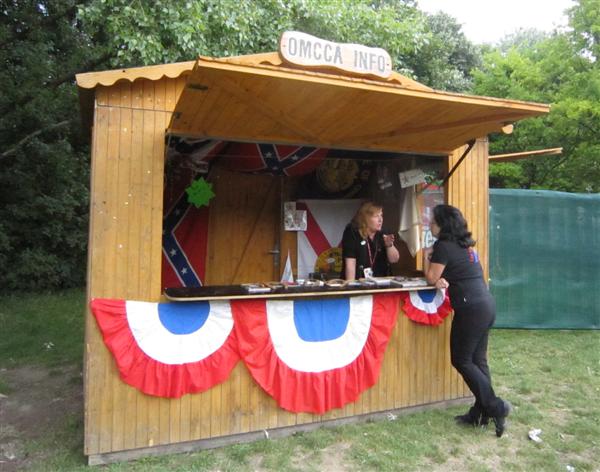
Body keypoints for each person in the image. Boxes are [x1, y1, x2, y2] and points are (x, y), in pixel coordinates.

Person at [423, 204, 511, 437]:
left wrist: (426, 255)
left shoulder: (443, 246)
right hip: (485, 305)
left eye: (433, 221)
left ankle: (496, 407)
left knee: (461, 359)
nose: (430, 224)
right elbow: (452, 274)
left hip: (470, 309)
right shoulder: (466, 246)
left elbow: (431, 277)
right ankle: (480, 414)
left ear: (442, 225)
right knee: (478, 361)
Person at [341, 201, 399, 280]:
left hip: (381, 282)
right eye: (376, 216)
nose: (380, 219)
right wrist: (351, 285)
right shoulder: (352, 232)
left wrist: (389, 245)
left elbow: (394, 260)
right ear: (366, 218)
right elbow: (350, 264)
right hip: (358, 282)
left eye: (381, 215)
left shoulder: (383, 232)